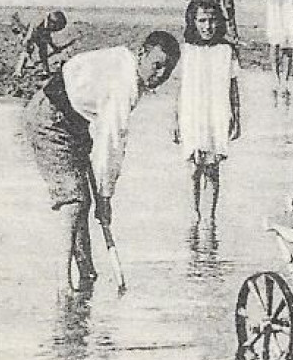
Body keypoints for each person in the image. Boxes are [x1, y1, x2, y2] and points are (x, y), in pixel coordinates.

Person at [22, 31, 180, 290]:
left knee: (81, 198)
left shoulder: (126, 65)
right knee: (74, 200)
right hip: (49, 117)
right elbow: (112, 143)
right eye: (157, 65)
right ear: (142, 54)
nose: (161, 74)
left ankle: (86, 273)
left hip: (75, 122)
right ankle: (62, 281)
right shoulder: (125, 85)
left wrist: (101, 191)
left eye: (168, 70)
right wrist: (105, 197)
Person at [175, 0, 241, 226]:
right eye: (202, 20)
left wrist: (237, 117)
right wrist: (175, 121)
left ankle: (210, 216)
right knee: (194, 166)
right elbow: (180, 89)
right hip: (192, 112)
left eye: (212, 20)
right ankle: (194, 212)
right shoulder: (187, 50)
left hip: (217, 112)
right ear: (193, 21)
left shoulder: (226, 50)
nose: (207, 26)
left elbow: (233, 87)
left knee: (212, 167)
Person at [13, 10, 69, 79]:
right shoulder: (38, 22)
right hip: (23, 27)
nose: (55, 30)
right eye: (56, 28)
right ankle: (18, 71)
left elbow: (47, 37)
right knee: (27, 50)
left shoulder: (48, 24)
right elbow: (29, 37)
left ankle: (45, 70)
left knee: (43, 50)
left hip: (35, 30)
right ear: (52, 23)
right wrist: (25, 42)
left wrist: (54, 47)